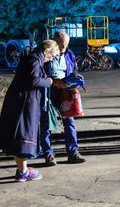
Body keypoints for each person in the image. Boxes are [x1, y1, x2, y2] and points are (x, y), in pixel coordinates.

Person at [0, 39, 61, 182]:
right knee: (23, 135)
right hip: (24, 102)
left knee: (18, 136)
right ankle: (23, 172)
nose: (51, 59)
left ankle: (22, 170)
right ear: (47, 51)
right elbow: (33, 80)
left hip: (19, 100)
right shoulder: (35, 59)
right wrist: (49, 82)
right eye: (52, 56)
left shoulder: (32, 57)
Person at [41, 31, 84, 166]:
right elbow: (38, 74)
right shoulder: (46, 55)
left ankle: (73, 153)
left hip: (65, 92)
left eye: (65, 45)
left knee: (69, 122)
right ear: (54, 42)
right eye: (60, 45)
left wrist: (76, 79)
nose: (62, 48)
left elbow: (72, 71)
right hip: (48, 91)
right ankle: (48, 154)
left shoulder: (69, 54)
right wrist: (53, 81)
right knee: (46, 123)